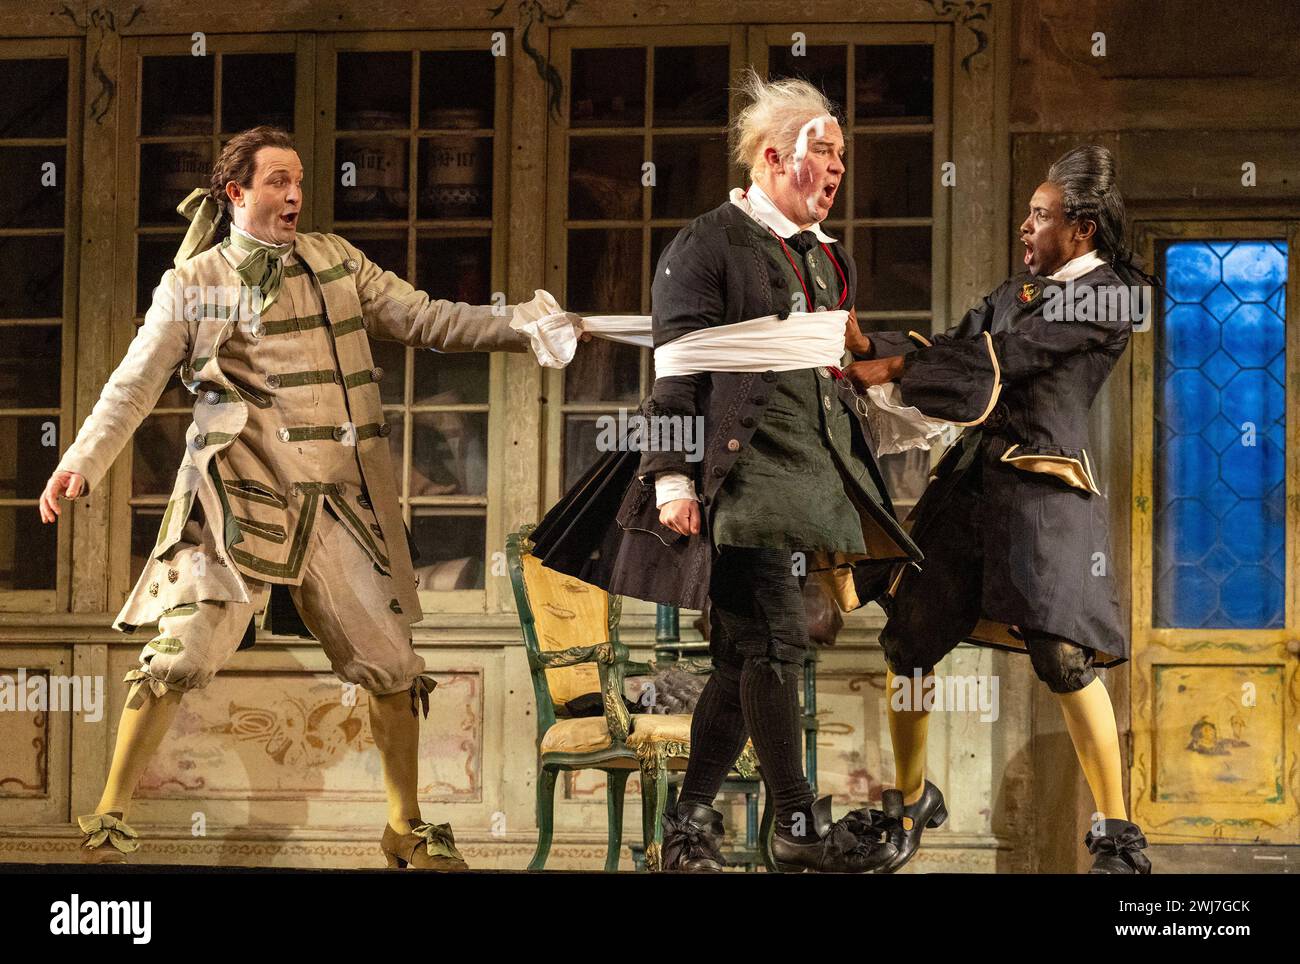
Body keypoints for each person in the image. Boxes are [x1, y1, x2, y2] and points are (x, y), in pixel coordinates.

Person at [39, 125, 577, 870]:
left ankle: (404, 828)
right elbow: (133, 385)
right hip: (242, 499)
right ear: (236, 193)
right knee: (179, 654)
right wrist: (80, 461)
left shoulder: (335, 260)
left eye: (299, 181)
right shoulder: (194, 285)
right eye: (277, 181)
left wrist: (521, 324)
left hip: (335, 501)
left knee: (391, 663)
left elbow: (425, 318)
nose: (294, 195)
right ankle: (106, 822)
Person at [530, 71, 921, 872]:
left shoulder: (823, 259)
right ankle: (797, 827)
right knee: (776, 640)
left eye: (844, 155)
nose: (840, 170)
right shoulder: (705, 245)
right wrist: (672, 482)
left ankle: (686, 827)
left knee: (744, 656)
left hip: (805, 479)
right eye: (826, 154)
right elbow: (676, 375)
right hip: (735, 483)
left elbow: (832, 366)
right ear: (776, 158)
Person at [845, 144, 1153, 874]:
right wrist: (871, 343)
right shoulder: (1015, 293)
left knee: (1063, 655)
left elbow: (1006, 361)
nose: (1025, 227)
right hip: (973, 490)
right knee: (908, 642)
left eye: (1040, 216)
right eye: (1027, 213)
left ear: (1080, 229)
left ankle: (1116, 830)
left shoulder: (1111, 295)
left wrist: (894, 366)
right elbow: (959, 346)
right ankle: (912, 798)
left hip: (1047, 493)